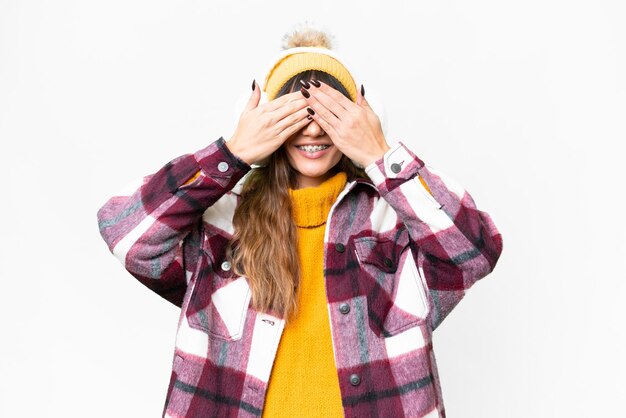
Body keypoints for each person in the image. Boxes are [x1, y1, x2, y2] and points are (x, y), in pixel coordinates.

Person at [97, 26, 502, 418]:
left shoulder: (395, 222)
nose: (312, 127)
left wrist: (382, 155)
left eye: (329, 111)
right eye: (295, 111)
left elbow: (475, 252)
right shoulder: (222, 225)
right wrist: (232, 152)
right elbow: (126, 233)